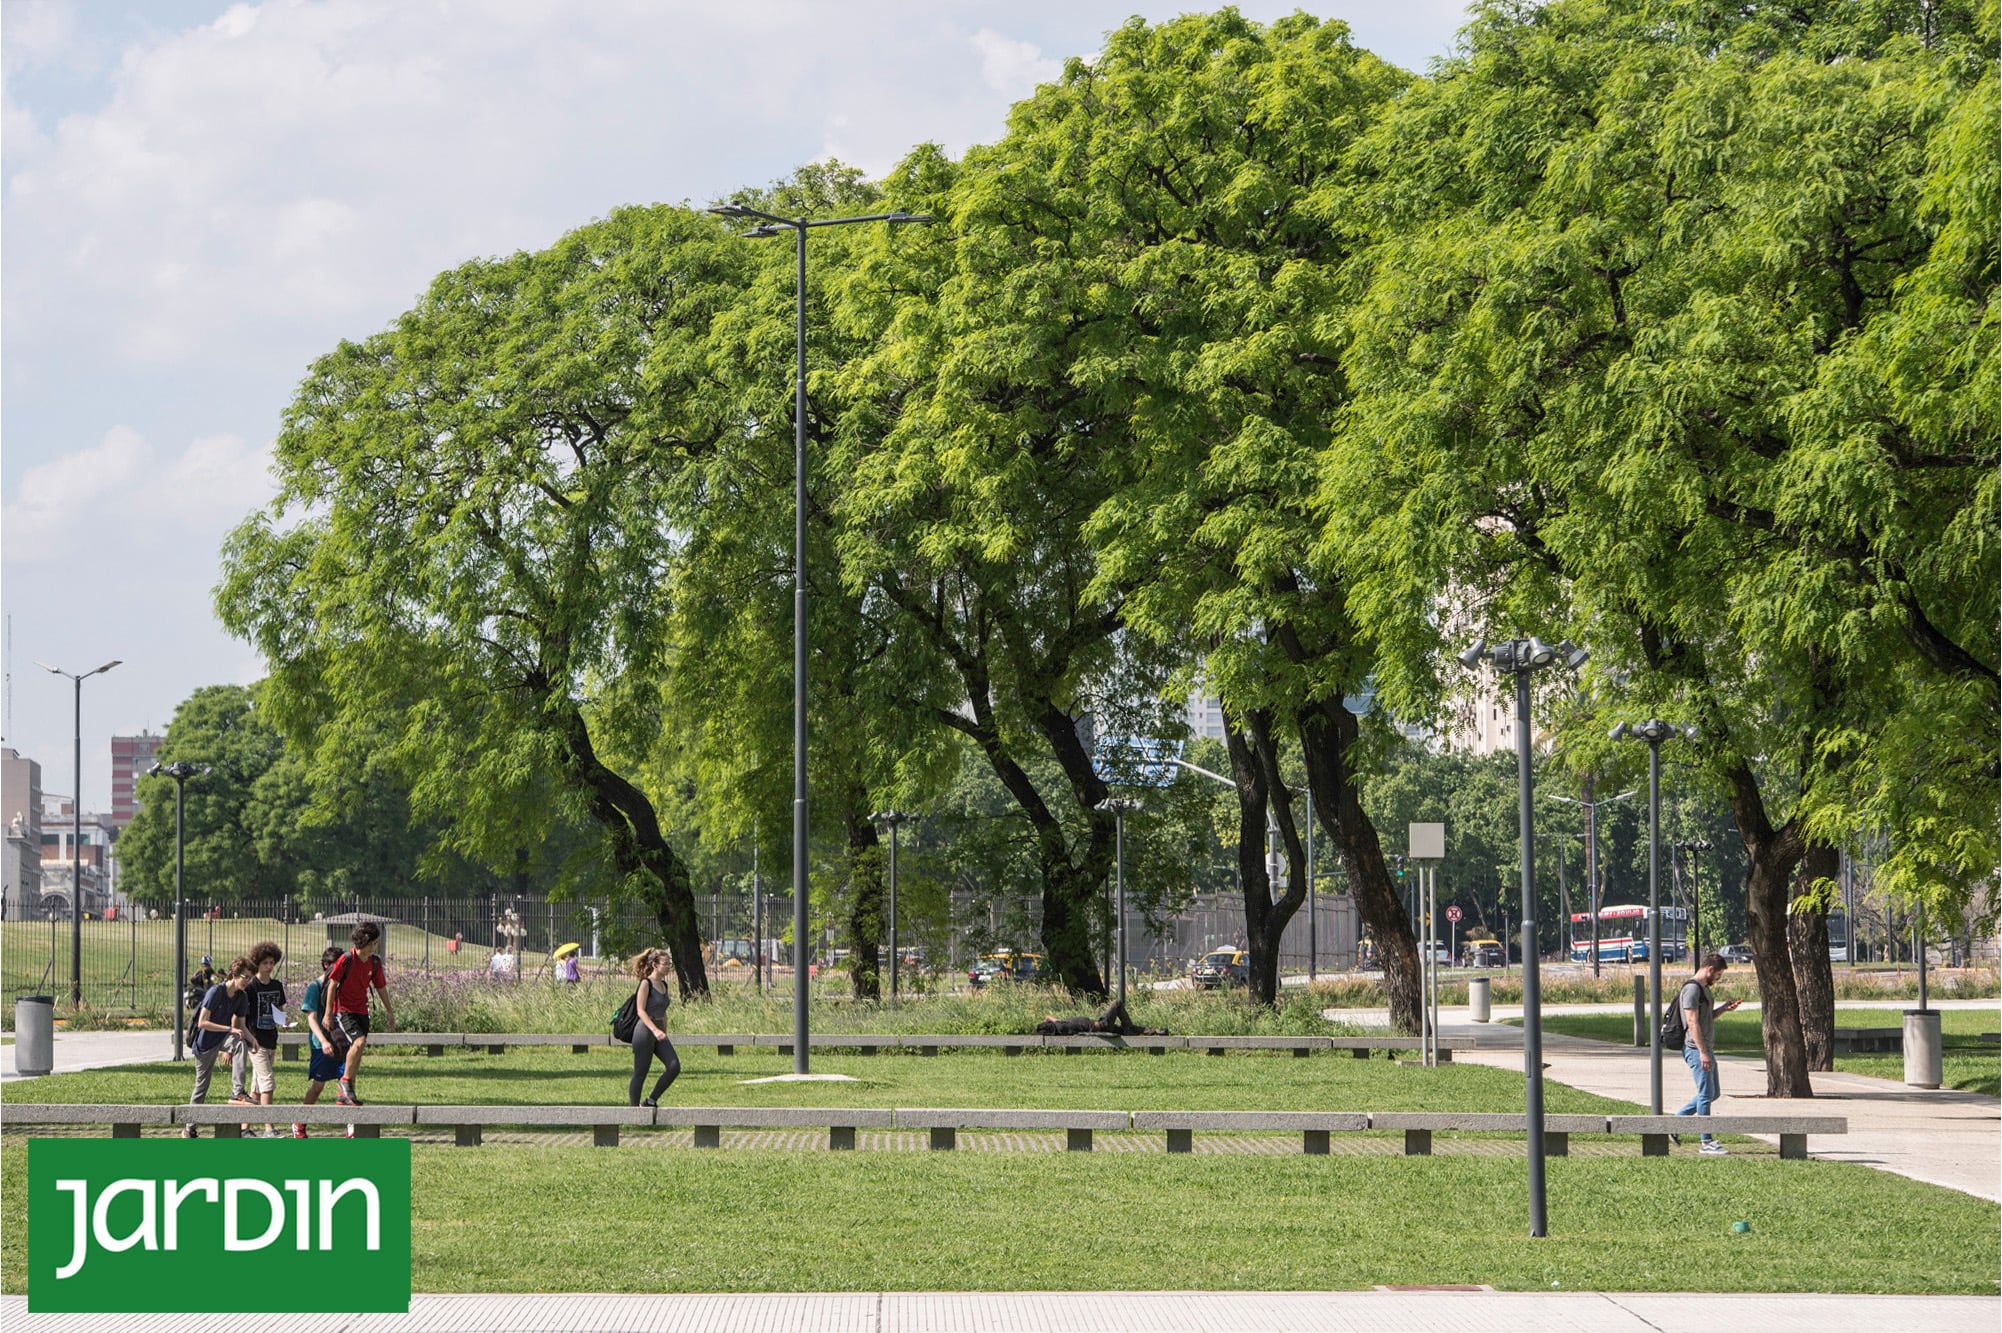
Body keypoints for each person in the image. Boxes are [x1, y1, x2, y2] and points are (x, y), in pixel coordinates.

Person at [1675, 952, 1744, 1154]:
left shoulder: (1703, 990)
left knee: (1713, 1093)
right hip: (1696, 1049)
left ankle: (1674, 1122)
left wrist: (1723, 1009)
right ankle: (1706, 1142)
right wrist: (1703, 1052)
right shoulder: (1691, 990)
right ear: (1710, 969)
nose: (1719, 979)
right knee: (1705, 1094)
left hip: (1705, 1049)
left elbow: (1705, 1018)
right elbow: (1692, 1022)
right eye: (1719, 975)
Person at [327, 921, 396, 1106]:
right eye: (374, 943)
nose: (376, 946)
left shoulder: (374, 962)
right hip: (344, 1011)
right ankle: (345, 1082)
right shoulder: (347, 959)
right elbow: (332, 985)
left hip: (362, 1012)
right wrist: (328, 1013)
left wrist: (389, 1011)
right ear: (366, 943)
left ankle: (347, 1095)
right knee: (359, 1042)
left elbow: (380, 987)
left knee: (357, 1051)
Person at [184, 957, 255, 1138]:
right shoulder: (216, 992)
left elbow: (242, 1025)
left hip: (222, 1038)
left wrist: (252, 1039)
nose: (247, 981)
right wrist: (229, 1028)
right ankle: (189, 1128)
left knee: (240, 1044)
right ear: (234, 974)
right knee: (202, 1087)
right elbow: (202, 1022)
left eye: (250, 978)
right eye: (244, 977)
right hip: (205, 1044)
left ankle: (237, 1092)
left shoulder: (241, 996)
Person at [294, 946, 349, 1139]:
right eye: (337, 966)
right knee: (318, 1086)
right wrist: (324, 1041)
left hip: (342, 1042)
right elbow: (311, 1018)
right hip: (321, 1044)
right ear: (326, 965)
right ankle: (299, 1121)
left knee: (346, 1085)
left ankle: (351, 1128)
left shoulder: (343, 985)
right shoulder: (315, 987)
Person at [243, 941, 288, 1137]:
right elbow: (242, 1015)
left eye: (272, 963)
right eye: (265, 963)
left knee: (257, 1088)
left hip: (271, 1038)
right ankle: (269, 1128)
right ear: (257, 964)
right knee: (268, 1082)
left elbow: (280, 1010)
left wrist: (284, 1020)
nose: (269, 967)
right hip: (256, 1042)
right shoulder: (251, 987)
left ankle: (244, 1128)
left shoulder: (277, 986)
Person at [627, 948, 681, 1108]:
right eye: (665, 964)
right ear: (654, 965)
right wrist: (655, 1030)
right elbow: (640, 1011)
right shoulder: (646, 983)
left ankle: (651, 1100)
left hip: (659, 1031)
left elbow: (663, 1011)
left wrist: (663, 1029)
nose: (668, 967)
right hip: (645, 1031)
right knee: (640, 1072)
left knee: (674, 1066)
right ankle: (633, 1111)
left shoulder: (664, 984)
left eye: (669, 963)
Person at [1035, 997, 1168, 1037]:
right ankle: (1130, 1028)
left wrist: (1049, 1018)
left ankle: (1155, 1031)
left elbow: (1055, 1020)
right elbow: (1057, 1023)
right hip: (1101, 1026)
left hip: (1100, 1025)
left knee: (1126, 1030)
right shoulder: (1061, 1028)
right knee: (1117, 1004)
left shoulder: (1059, 1026)